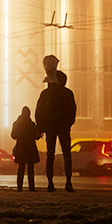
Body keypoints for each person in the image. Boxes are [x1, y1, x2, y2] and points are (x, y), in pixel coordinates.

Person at [35, 63, 77, 192]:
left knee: (50, 156)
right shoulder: (67, 93)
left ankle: (50, 183)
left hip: (50, 128)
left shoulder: (46, 94)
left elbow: (39, 112)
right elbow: (72, 111)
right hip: (63, 128)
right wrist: (68, 123)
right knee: (66, 156)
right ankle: (68, 182)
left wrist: (41, 127)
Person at [11, 106, 42, 191]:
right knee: (30, 169)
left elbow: (13, 136)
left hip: (21, 148)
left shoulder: (17, 124)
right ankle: (31, 187)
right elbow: (36, 137)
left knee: (21, 168)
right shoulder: (31, 125)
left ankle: (19, 187)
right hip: (30, 148)